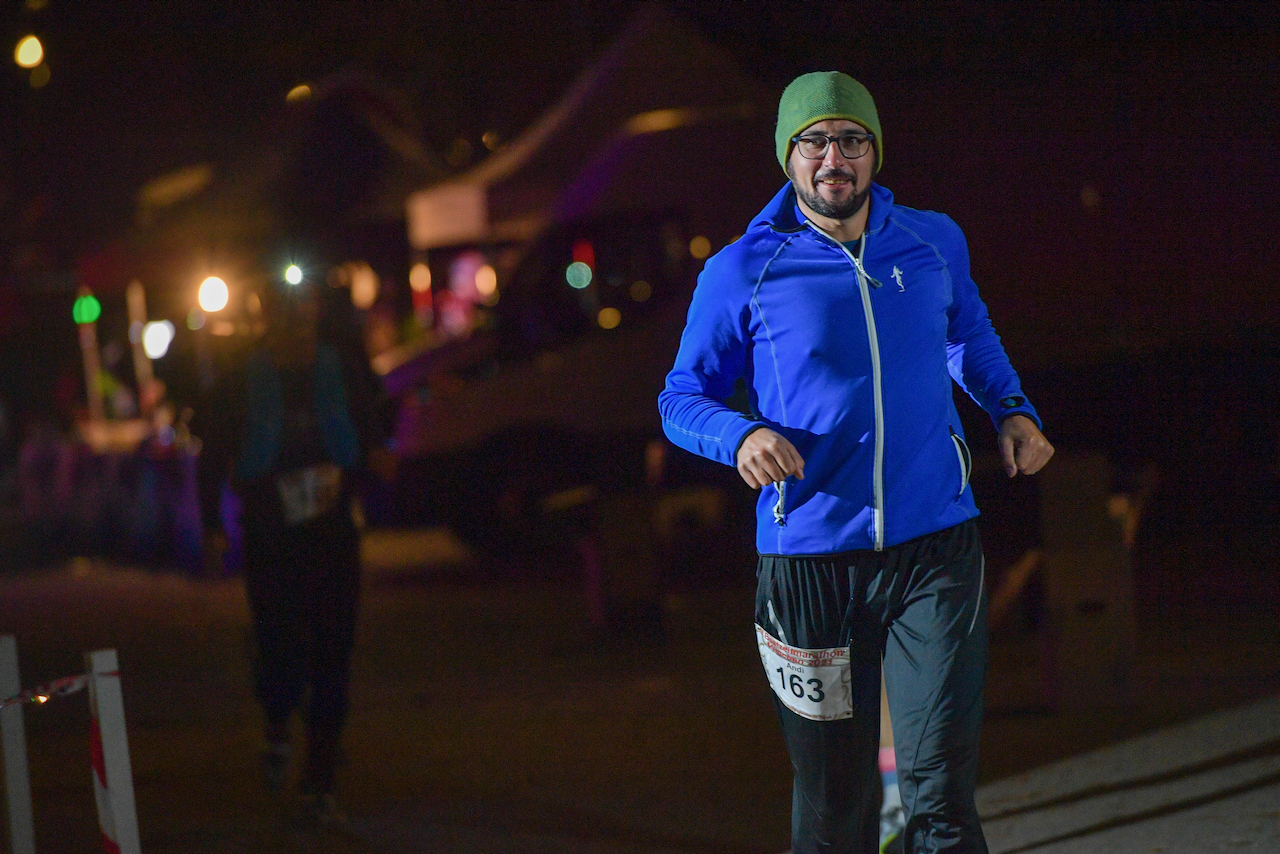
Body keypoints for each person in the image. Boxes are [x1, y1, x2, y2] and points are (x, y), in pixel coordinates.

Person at [658, 71, 1053, 854]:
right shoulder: (743, 268)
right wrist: (738, 438)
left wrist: (1011, 409)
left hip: (935, 547)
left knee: (939, 794)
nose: (834, 157)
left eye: (852, 139)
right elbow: (681, 398)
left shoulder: (934, 240)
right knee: (839, 805)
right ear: (788, 156)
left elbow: (966, 335)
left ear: (874, 151)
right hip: (810, 561)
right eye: (815, 141)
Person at [196, 276, 385, 828]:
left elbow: (370, 434)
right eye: (285, 312)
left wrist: (377, 464)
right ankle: (278, 720)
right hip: (272, 537)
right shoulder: (240, 381)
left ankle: (320, 780)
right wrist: (213, 528)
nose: (296, 322)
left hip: (332, 535)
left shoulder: (342, 369)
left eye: (304, 310)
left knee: (333, 652)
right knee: (280, 648)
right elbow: (213, 458)